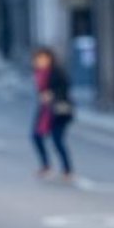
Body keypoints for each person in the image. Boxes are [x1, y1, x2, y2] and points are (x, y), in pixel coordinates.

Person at [31, 47, 75, 180]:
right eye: (38, 59)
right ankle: (45, 165)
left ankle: (67, 169)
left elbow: (66, 89)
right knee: (36, 136)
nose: (40, 61)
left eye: (43, 58)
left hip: (59, 111)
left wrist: (52, 95)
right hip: (45, 110)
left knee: (57, 140)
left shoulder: (57, 72)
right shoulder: (38, 73)